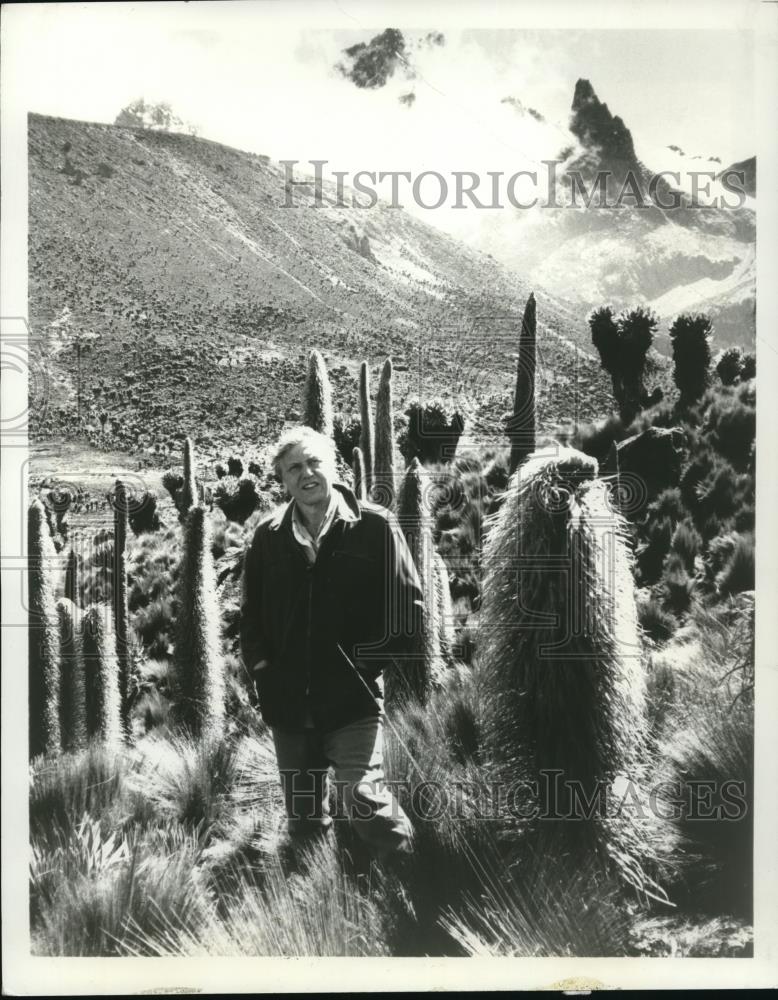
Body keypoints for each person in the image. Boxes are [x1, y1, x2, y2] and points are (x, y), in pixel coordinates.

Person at [240, 426, 423, 858]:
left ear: (334, 466)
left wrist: (364, 663)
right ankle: (316, 900)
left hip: (351, 702)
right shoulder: (268, 536)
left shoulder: (374, 526)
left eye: (313, 462)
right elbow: (251, 617)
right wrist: (263, 670)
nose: (306, 474)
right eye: (293, 469)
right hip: (288, 704)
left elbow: (409, 610)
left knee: (364, 800)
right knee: (304, 821)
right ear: (282, 480)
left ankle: (416, 877)